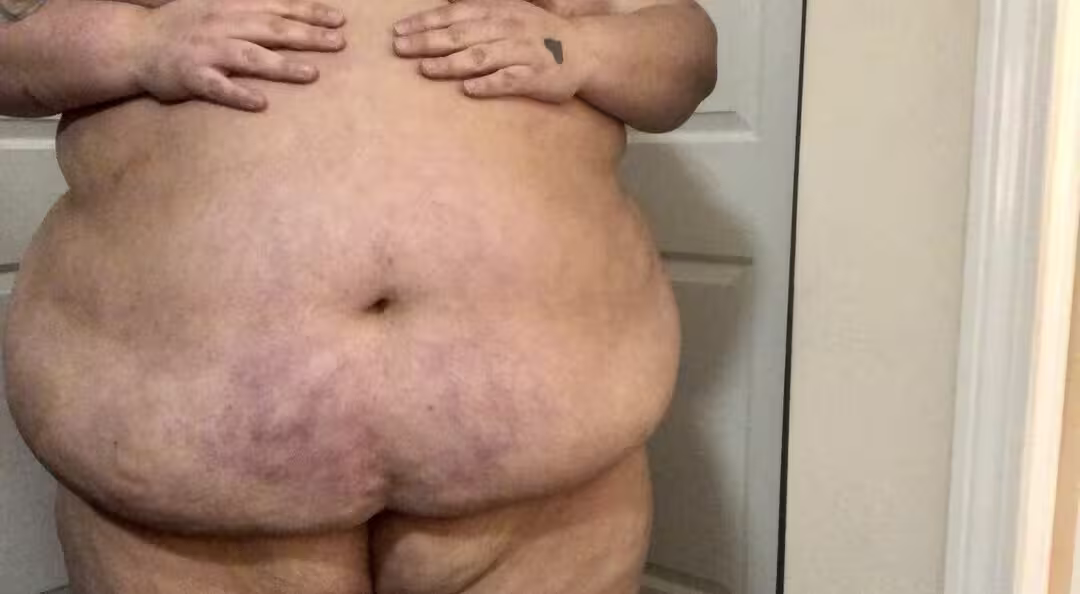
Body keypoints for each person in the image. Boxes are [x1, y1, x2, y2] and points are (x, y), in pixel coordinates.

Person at [0, 0, 717, 589]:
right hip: (171, 506)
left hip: (551, 505)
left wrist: (580, 50)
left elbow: (687, 57)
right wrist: (137, 42)